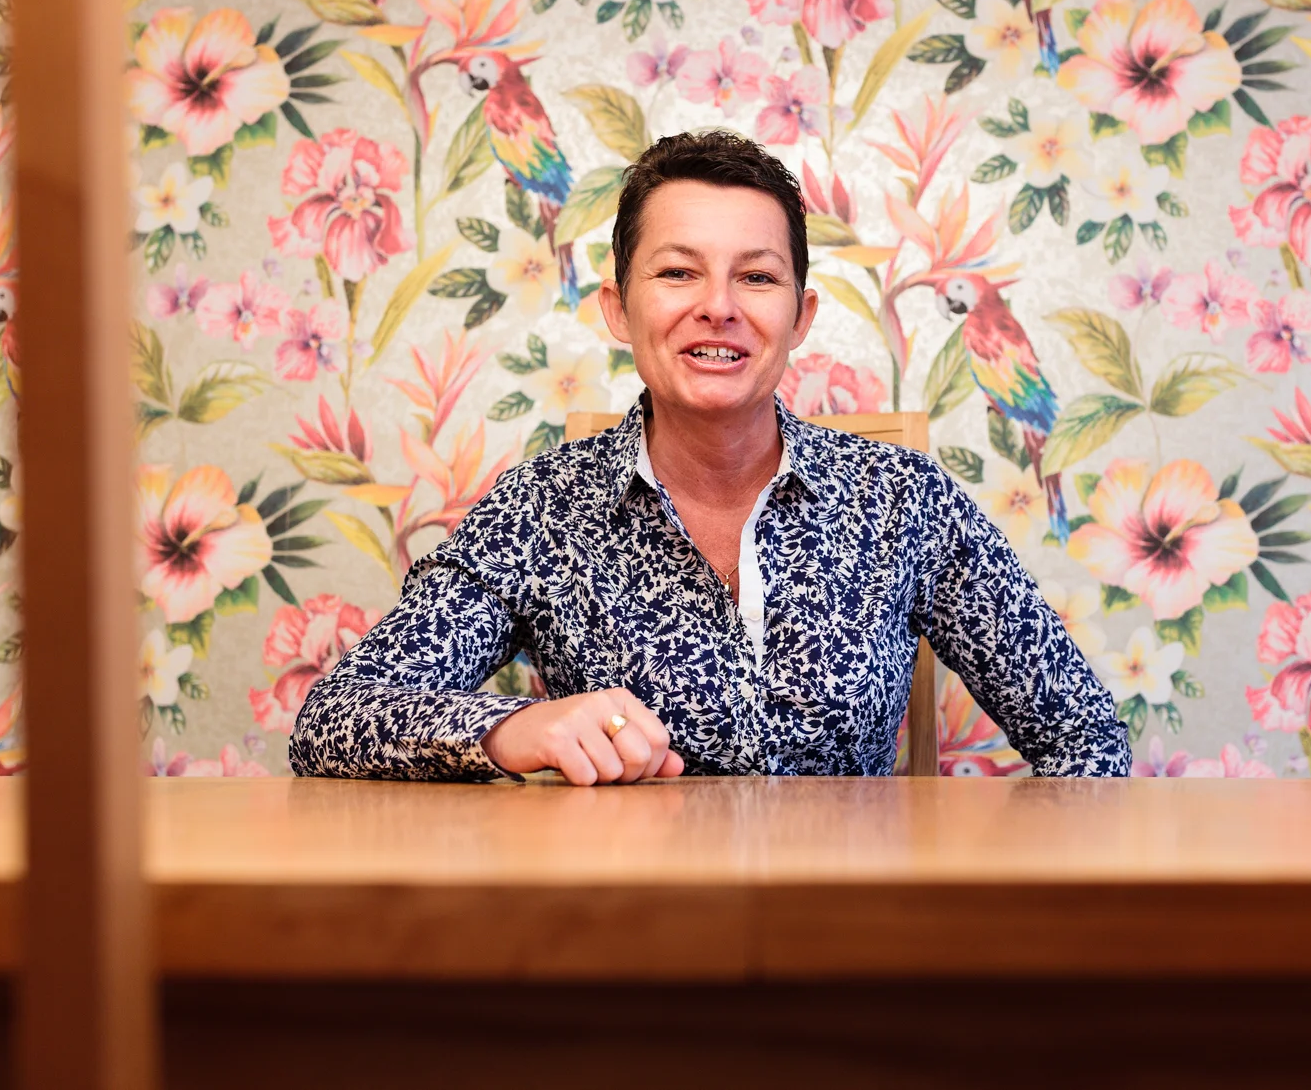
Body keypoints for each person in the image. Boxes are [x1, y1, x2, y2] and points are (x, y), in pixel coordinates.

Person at [288, 130, 1130, 784]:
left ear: (800, 317)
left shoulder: (902, 500)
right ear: (618, 308)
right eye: (678, 273)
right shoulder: (540, 510)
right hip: (629, 933)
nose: (718, 307)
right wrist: (513, 728)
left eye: (756, 278)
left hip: (853, 935)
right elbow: (333, 719)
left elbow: (1085, 735)